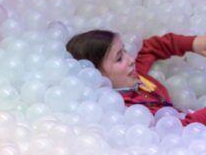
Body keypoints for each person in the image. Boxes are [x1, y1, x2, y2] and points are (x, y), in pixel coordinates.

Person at [66, 29, 206, 125]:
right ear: (96, 76)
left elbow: (150, 48)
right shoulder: (129, 111)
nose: (131, 59)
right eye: (119, 58)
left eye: (125, 50)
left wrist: (192, 43)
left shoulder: (133, 74)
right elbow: (174, 130)